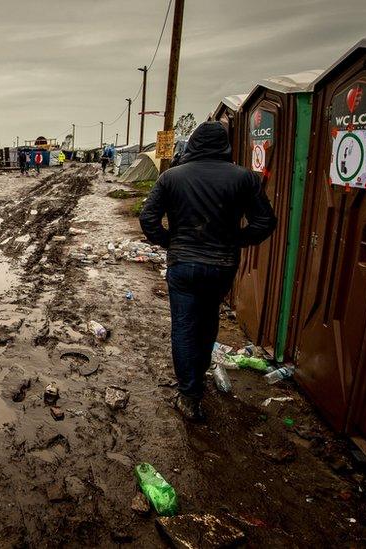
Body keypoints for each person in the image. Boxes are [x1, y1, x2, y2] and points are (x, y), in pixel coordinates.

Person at [139, 121, 276, 422]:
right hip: (222, 265)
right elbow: (265, 222)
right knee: (208, 318)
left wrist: (171, 243)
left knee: (184, 325)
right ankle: (197, 376)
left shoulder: (171, 177)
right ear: (225, 145)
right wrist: (235, 240)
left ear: (193, 145)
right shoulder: (244, 178)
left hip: (183, 264)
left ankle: (189, 394)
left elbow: (148, 218)